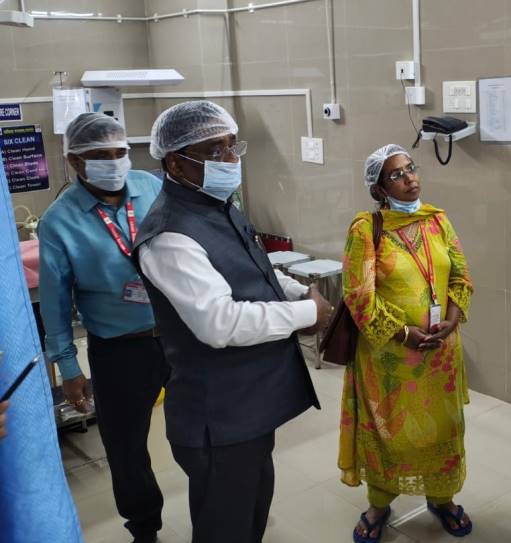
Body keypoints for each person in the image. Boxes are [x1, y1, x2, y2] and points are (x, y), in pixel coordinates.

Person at [133, 101, 331, 543]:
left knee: (253, 510)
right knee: (225, 527)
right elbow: (219, 322)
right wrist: (307, 314)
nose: (229, 160)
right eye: (214, 151)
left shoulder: (217, 205)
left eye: (232, 147)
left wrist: (296, 291)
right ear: (175, 163)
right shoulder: (170, 236)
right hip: (218, 419)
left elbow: (251, 265)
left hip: (248, 409)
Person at [38, 113, 169, 543]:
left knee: (202, 428)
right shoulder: (60, 222)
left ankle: (218, 510)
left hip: (179, 335)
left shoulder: (151, 187)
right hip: (119, 350)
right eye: (100, 156)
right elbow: (55, 302)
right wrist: (67, 366)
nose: (114, 163)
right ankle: (144, 528)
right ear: (76, 162)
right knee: (126, 448)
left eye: (120, 153)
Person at [340, 144, 474, 543]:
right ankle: (378, 505)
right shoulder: (366, 229)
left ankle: (443, 498)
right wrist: (402, 333)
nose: (410, 178)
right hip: (390, 358)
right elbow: (358, 295)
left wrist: (452, 320)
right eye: (396, 175)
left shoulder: (437, 220)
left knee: (443, 428)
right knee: (390, 432)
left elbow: (461, 276)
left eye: (411, 168)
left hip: (440, 355)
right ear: (379, 188)